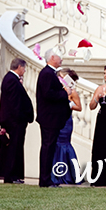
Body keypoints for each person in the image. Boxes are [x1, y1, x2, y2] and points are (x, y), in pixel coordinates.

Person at [0, 58, 34, 184]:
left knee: (14, 148)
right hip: (15, 122)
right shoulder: (11, 80)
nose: (25, 70)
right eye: (24, 68)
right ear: (20, 67)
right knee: (13, 149)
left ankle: (12, 175)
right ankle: (10, 176)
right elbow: (12, 103)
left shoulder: (12, 79)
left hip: (14, 121)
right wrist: (19, 119)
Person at [36, 49, 71, 187]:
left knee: (49, 148)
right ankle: (44, 180)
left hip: (51, 118)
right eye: (59, 57)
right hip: (49, 118)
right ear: (52, 57)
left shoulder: (50, 73)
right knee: (47, 148)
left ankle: (46, 179)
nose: (61, 60)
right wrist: (64, 92)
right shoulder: (47, 73)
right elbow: (48, 94)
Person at [51, 68, 82, 185]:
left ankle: (68, 174)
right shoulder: (58, 90)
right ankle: (55, 173)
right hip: (56, 119)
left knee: (64, 145)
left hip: (66, 120)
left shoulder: (72, 92)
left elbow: (79, 107)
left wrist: (68, 103)